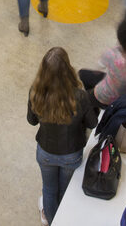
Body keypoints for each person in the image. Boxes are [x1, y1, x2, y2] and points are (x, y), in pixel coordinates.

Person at [27, 47, 97, 224]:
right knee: (65, 191)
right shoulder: (80, 96)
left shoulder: (35, 92)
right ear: (69, 69)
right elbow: (92, 123)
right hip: (71, 154)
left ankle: (51, 220)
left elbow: (32, 120)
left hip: (45, 152)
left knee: (49, 191)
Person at [78, 19, 126, 108]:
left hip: (104, 96)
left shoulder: (111, 54)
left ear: (119, 38)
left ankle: (94, 104)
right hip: (125, 93)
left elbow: (97, 68)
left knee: (82, 75)